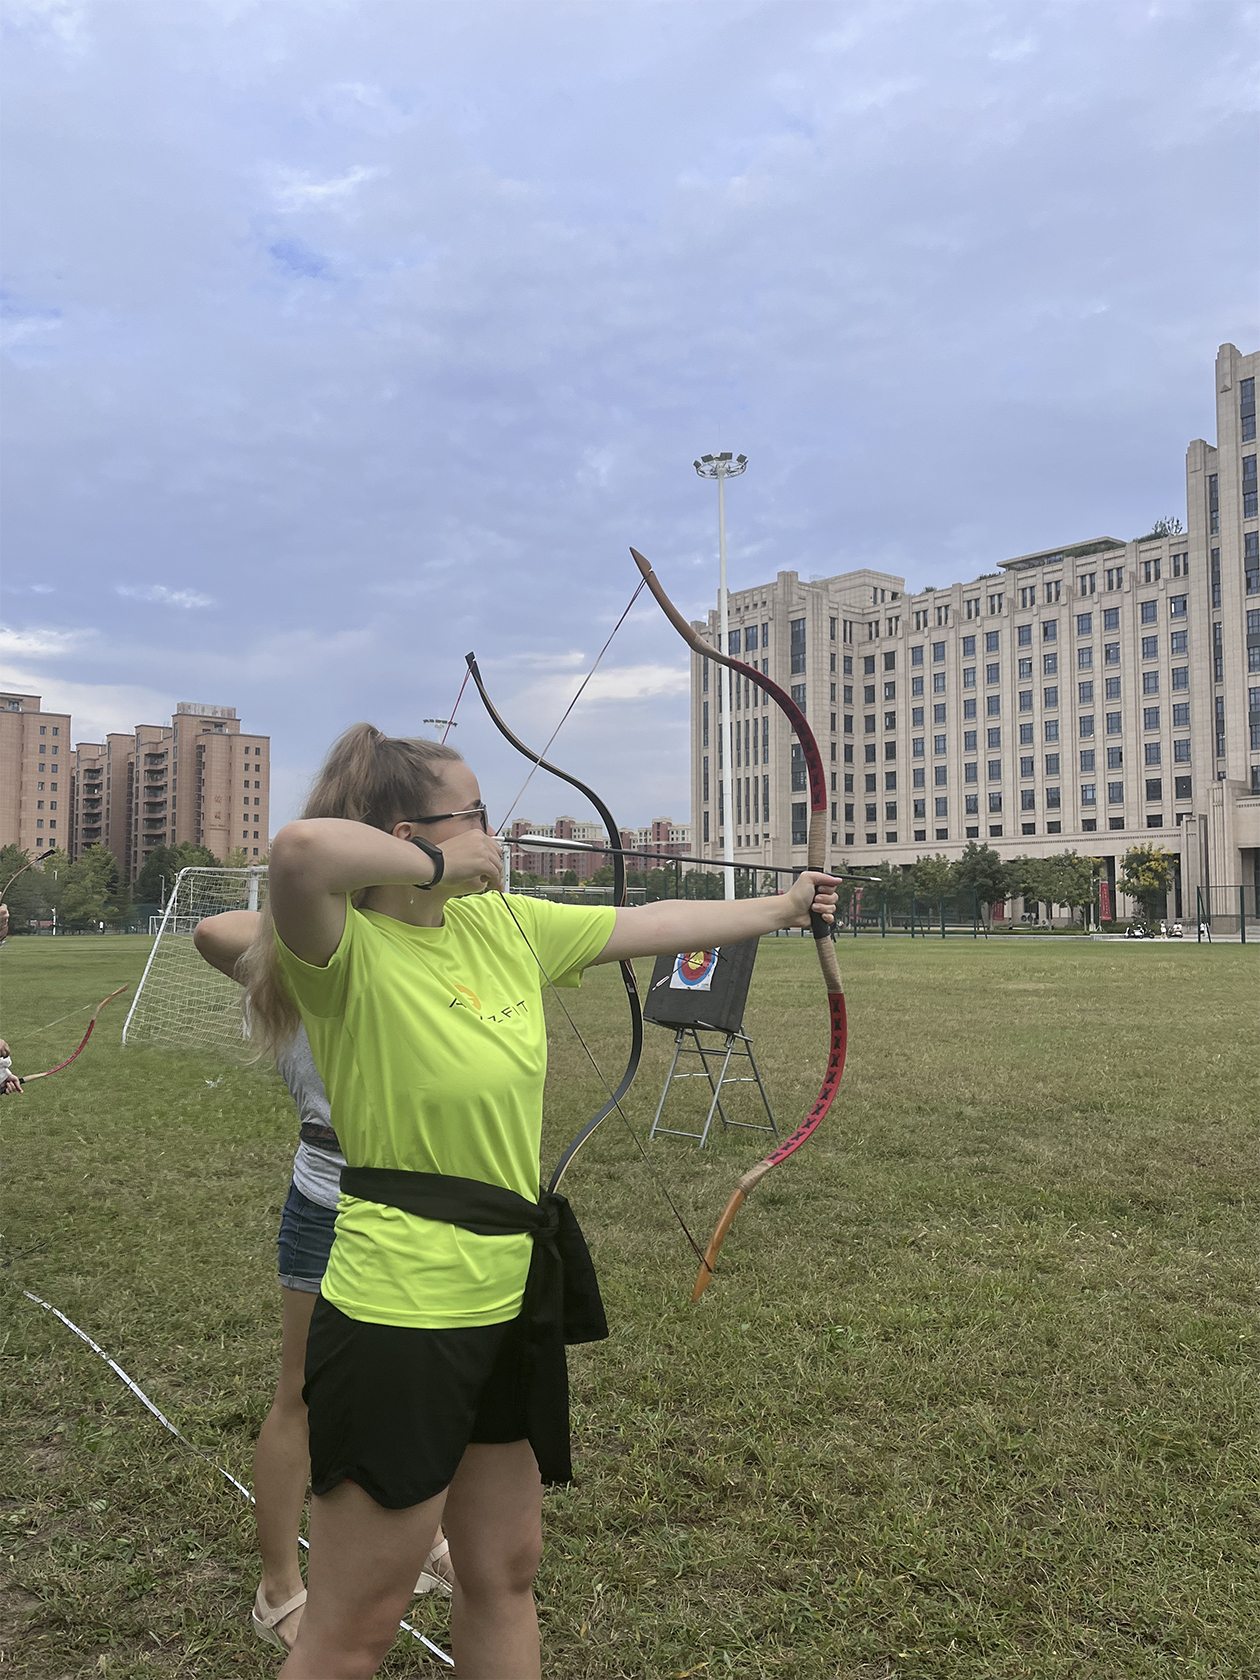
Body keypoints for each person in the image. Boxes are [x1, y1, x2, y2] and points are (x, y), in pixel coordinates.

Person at [243, 722, 838, 1680]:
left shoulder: (507, 925)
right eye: (472, 813)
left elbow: (649, 926)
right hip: (401, 1300)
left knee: (505, 1569)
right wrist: (439, 859)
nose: (494, 831)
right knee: (356, 1624)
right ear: (404, 833)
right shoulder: (343, 948)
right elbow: (301, 851)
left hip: (511, 1290)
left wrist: (782, 906)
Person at [191, 910, 455, 1652]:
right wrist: (327, 911)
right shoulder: (314, 947)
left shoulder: (434, 938)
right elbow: (214, 932)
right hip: (329, 1191)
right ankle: (278, 1587)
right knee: (301, 1393)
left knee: (419, 1376)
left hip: (426, 1189)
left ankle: (428, 1537)